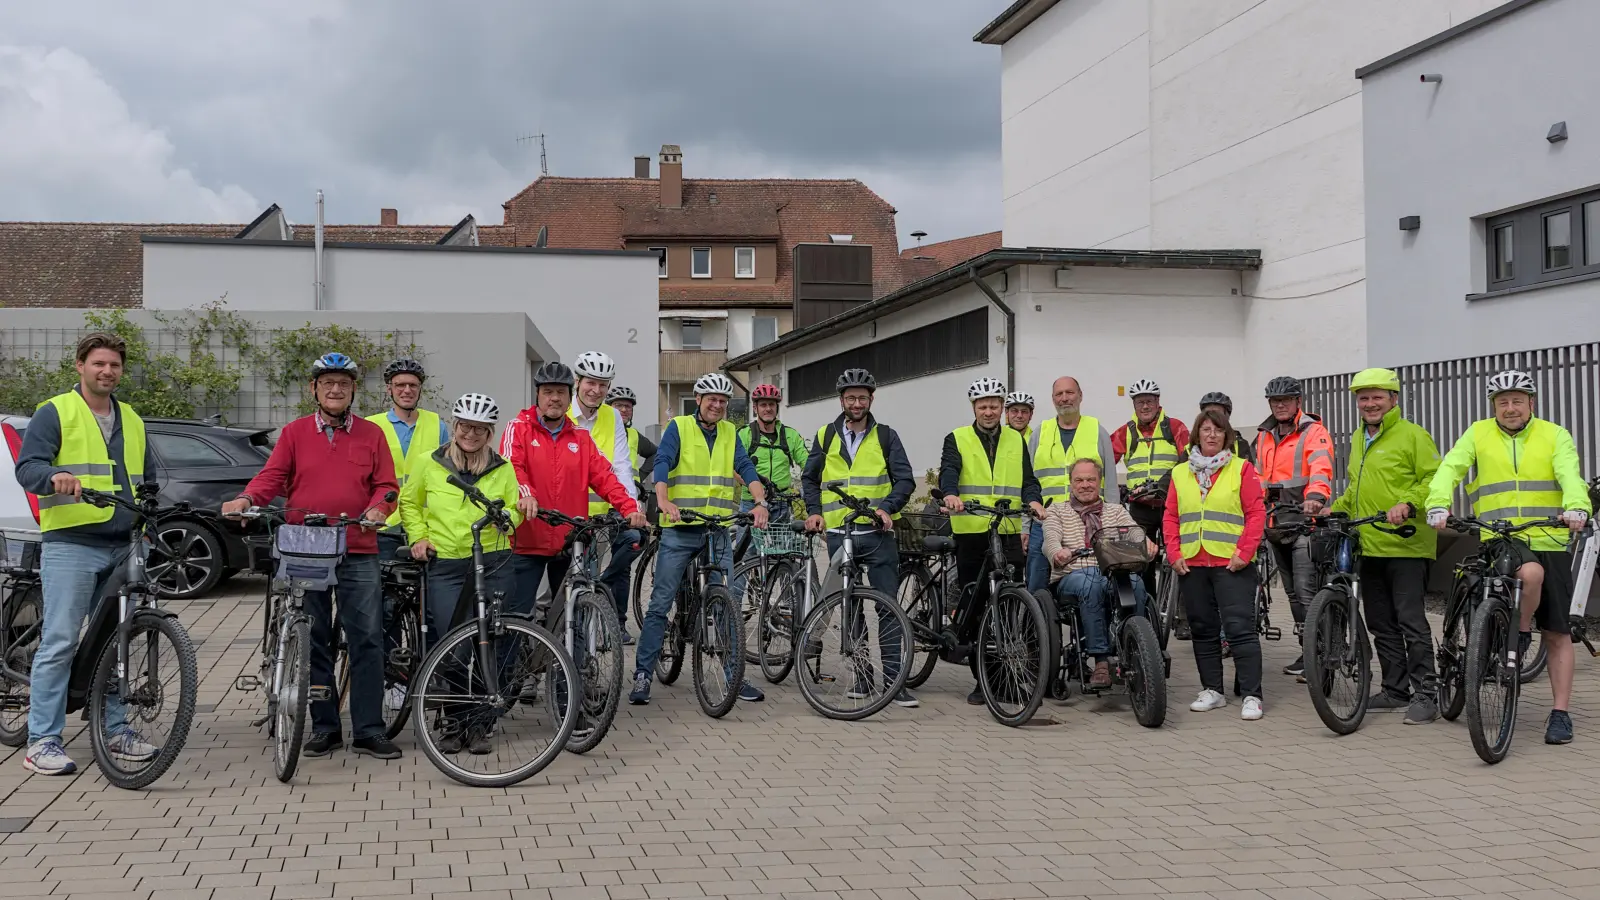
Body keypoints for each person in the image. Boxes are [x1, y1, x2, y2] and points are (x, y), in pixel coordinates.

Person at [222, 353, 401, 760]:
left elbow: (386, 485)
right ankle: (325, 727)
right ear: (314, 390)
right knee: (313, 637)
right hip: (306, 545)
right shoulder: (295, 433)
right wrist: (247, 498)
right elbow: (272, 476)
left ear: (353, 389)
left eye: (342, 383)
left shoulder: (372, 435)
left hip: (357, 545)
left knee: (367, 639)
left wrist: (378, 508)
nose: (335, 389)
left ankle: (370, 730)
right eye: (327, 383)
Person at [14, 332, 161, 775]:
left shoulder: (132, 418)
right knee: (60, 640)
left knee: (115, 641)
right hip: (73, 544)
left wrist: (150, 524)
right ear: (80, 366)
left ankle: (115, 729)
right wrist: (54, 474)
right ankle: (42, 739)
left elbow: (147, 480)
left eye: (114, 365)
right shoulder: (56, 411)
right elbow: (27, 467)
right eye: (98, 363)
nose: (107, 372)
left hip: (124, 545)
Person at [1425, 369, 1591, 745]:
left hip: (1549, 536)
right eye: (1503, 402)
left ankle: (1560, 713)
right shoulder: (1477, 433)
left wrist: (1577, 506)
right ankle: (1518, 632)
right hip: (1501, 535)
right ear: (1493, 407)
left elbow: (1569, 474)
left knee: (1559, 631)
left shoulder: (1554, 434)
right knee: (1529, 574)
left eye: (1518, 400)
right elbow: (1450, 467)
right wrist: (1437, 503)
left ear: (1531, 403)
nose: (1511, 408)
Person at [631, 372, 770, 706]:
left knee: (726, 602)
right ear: (699, 399)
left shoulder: (730, 432)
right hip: (680, 529)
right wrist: (662, 500)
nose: (717, 405)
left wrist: (760, 501)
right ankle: (643, 674)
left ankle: (732, 673)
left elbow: (745, 466)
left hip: (717, 528)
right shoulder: (678, 427)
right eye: (712, 399)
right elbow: (662, 462)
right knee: (661, 602)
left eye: (723, 401)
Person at [399, 393, 522, 754]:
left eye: (480, 429)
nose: (471, 434)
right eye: (466, 426)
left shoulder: (503, 467)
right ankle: (453, 721)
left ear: (489, 433)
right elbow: (409, 501)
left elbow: (514, 510)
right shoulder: (429, 462)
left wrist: (508, 520)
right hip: (447, 564)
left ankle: (481, 723)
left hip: (493, 560)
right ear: (455, 427)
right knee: (453, 644)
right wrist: (418, 536)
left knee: (492, 641)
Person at [1328, 369, 1442, 724]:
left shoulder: (1413, 435)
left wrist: (1407, 503)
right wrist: (1333, 506)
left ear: (1394, 399)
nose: (1370, 403)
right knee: (1380, 622)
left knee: (1410, 619)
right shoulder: (1361, 437)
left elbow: (1433, 479)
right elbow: (1359, 489)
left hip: (1406, 543)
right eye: (1363, 398)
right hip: (1370, 543)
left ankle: (1426, 692)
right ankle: (1396, 690)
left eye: (1377, 396)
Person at [801, 368, 919, 707]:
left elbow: (905, 480)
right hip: (840, 533)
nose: (856, 403)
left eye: (862, 397)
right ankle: (863, 678)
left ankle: (896, 682)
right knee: (850, 606)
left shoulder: (886, 436)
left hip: (878, 533)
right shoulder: (825, 436)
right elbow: (810, 479)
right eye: (850, 397)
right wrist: (814, 511)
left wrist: (888, 507)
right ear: (841, 400)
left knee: (888, 608)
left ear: (871, 399)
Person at [500, 361, 644, 628]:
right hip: (527, 539)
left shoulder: (581, 437)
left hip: (570, 539)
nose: (554, 398)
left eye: (560, 392)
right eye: (548, 391)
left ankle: (571, 669)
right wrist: (526, 493)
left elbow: (606, 477)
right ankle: (511, 670)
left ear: (570, 396)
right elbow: (511, 467)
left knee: (574, 616)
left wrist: (629, 508)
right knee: (516, 618)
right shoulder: (518, 427)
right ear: (538, 395)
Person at [940, 376, 1046, 704]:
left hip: (1008, 528)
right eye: (983, 406)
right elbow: (949, 472)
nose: (989, 411)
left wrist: (1034, 500)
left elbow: (1028, 480)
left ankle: (1010, 674)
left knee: (1010, 603)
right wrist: (951, 494)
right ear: (974, 408)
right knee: (977, 603)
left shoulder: (1015, 439)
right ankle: (984, 680)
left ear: (1002, 407)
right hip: (972, 529)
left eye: (994, 405)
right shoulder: (957, 438)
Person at [1164, 409, 1268, 720]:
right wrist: (1174, 554)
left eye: (1217, 430)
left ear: (1227, 435)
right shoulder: (1180, 473)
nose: (1211, 435)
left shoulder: (1242, 469)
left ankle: (1252, 695)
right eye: (1206, 429)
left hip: (1231, 564)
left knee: (1239, 629)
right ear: (1197, 435)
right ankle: (1212, 690)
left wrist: (1244, 553)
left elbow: (1256, 515)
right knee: (1203, 629)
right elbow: (1170, 516)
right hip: (1192, 563)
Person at [1041, 458, 1150, 689]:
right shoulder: (1057, 510)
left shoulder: (1115, 510)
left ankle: (1136, 648)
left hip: (1113, 572)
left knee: (1136, 583)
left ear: (1100, 482)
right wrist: (1057, 552)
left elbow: (1134, 533)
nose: (1085, 484)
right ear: (1070, 483)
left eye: (1091, 479)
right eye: (1079, 480)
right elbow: (1049, 539)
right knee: (1091, 583)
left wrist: (1146, 543)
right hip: (1073, 574)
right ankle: (1101, 660)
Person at [1253, 375, 1334, 679]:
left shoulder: (1314, 433)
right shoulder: (1264, 435)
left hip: (1303, 523)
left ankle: (1323, 657)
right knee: (1291, 595)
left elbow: (1321, 468)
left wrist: (1315, 497)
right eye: (1275, 401)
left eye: (1286, 400)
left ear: (1298, 402)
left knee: (1306, 592)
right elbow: (1257, 476)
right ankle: (1308, 651)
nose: (1281, 405)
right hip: (1274, 522)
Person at [568, 351, 644, 640]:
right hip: (561, 517)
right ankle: (537, 661)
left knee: (586, 586)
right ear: (577, 381)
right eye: (591, 382)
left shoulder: (612, 416)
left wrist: (631, 507)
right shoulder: (562, 412)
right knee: (550, 594)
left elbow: (622, 465)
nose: (596, 390)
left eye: (603, 384)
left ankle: (582, 659)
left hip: (597, 520)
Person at [1025, 376, 1115, 592]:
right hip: (1043, 523)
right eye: (1059, 394)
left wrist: (1112, 525)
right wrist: (1024, 527)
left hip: (1088, 524)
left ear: (1080, 396)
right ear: (1053, 399)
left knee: (1090, 585)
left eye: (1070, 392)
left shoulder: (1097, 431)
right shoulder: (1040, 432)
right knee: (1036, 587)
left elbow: (1110, 482)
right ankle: (1036, 626)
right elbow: (1027, 482)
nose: (1064, 398)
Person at [731, 383, 809, 602]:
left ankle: (787, 610)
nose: (768, 409)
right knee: (745, 559)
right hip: (752, 506)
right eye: (763, 405)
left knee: (788, 557)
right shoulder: (745, 435)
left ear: (777, 408)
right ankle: (730, 611)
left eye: (772, 405)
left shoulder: (790, 436)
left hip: (782, 505)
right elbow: (733, 467)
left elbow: (807, 463)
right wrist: (753, 486)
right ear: (755, 408)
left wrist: (810, 484)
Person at [1112, 379, 1189, 598]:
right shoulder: (1125, 432)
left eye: (1149, 401)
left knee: (1181, 558)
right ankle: (1147, 609)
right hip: (1140, 507)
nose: (1145, 407)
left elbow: (1189, 457)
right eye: (1140, 403)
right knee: (1140, 561)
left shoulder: (1175, 427)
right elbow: (1105, 461)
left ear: (1158, 402)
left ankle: (1183, 616)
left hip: (1171, 505)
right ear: (1134, 406)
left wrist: (1166, 483)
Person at [367, 358, 447, 561]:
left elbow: (448, 474)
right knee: (385, 588)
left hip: (427, 525)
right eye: (400, 385)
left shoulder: (437, 425)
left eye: (413, 385)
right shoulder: (371, 426)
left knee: (427, 589)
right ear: (389, 389)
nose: (407, 390)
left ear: (420, 389)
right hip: (385, 523)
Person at [606, 384, 657, 477]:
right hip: (599, 490)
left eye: (628, 406)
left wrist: (640, 476)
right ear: (608, 407)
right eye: (618, 405)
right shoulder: (596, 429)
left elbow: (656, 453)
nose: (624, 409)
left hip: (628, 490)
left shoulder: (634, 435)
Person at [1199, 392, 1254, 463]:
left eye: (1218, 414)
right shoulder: (1190, 448)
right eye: (1208, 413)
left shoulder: (1240, 445)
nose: (1213, 417)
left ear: (1227, 417)